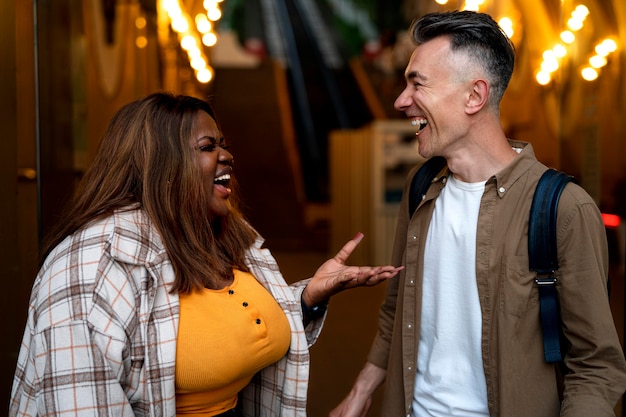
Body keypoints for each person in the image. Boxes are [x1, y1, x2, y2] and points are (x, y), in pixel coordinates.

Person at [9, 92, 403, 417]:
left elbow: (218, 329)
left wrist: (307, 297)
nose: (227, 155)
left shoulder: (219, 237)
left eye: (224, 145)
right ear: (159, 162)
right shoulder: (90, 264)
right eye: (207, 146)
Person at [331, 10, 626, 417]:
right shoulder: (421, 189)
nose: (401, 100)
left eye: (417, 84)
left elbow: (594, 365)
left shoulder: (563, 208)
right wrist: (362, 388)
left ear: (475, 96)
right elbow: (396, 307)